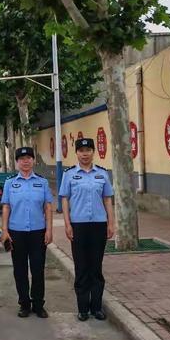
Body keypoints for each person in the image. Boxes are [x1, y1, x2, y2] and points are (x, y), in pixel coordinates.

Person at [59, 138, 115, 322]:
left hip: (99, 225)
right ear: (77, 153)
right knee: (81, 267)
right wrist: (67, 224)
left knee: (96, 268)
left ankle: (96, 308)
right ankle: (83, 308)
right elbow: (65, 200)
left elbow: (107, 199)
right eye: (81, 150)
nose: (85, 153)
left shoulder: (102, 173)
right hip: (78, 226)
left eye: (88, 150)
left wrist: (111, 223)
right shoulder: (69, 174)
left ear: (93, 152)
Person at [0, 147, 53, 318]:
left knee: (38, 269)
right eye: (22, 158)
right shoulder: (10, 183)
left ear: (34, 161)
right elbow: (6, 206)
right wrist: (4, 230)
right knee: (20, 270)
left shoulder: (42, 182)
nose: (25, 161)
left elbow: (48, 207)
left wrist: (49, 230)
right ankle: (24, 304)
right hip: (17, 233)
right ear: (16, 162)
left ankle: (38, 304)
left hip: (38, 232)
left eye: (29, 158)